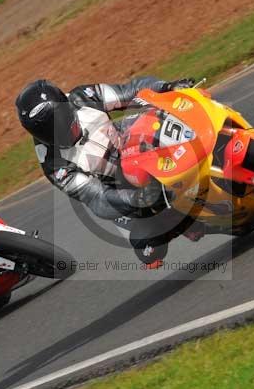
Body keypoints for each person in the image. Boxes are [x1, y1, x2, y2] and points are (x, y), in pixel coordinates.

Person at [15, 77, 203, 267]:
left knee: (159, 116)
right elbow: (96, 198)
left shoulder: (83, 97)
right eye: (48, 131)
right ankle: (185, 221)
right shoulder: (54, 164)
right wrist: (136, 199)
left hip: (127, 143)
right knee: (149, 250)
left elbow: (130, 91)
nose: (60, 131)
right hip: (117, 187)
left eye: (61, 120)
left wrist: (167, 87)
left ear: (66, 104)